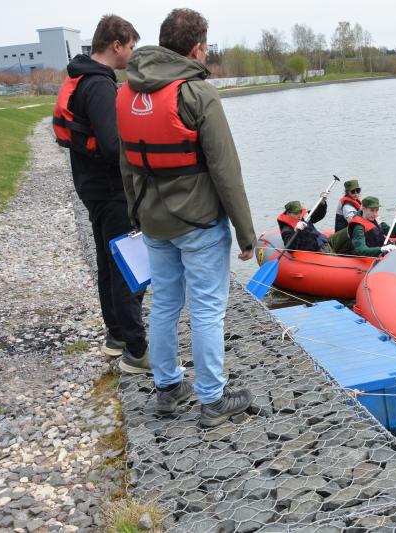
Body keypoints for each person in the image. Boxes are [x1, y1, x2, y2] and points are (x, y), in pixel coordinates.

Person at [117, 8, 256, 428]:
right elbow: (226, 172)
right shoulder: (198, 94)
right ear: (197, 47)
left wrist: (134, 212)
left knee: (164, 304)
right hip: (198, 224)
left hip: (153, 222)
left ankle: (168, 387)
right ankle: (212, 398)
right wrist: (246, 234)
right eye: (206, 46)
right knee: (208, 308)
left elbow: (126, 163)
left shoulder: (126, 92)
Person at [53, 15, 147, 363]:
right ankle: (137, 350)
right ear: (116, 44)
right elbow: (111, 145)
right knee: (127, 268)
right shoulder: (100, 85)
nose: (132, 55)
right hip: (110, 191)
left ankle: (117, 337)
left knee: (109, 263)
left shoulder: (81, 77)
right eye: (131, 46)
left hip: (91, 187)